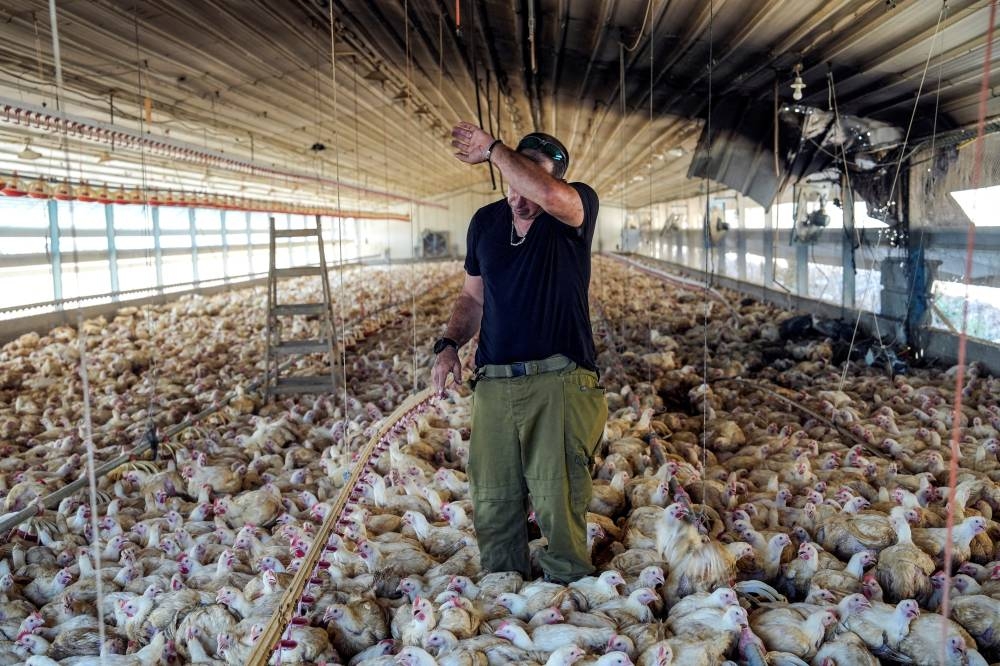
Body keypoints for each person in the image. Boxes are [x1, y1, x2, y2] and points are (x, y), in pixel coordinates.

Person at [430, 121, 607, 584]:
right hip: (493, 382)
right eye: (516, 178)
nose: (520, 192)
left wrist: (493, 149)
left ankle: (566, 593)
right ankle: (505, 589)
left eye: (533, 177)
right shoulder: (485, 223)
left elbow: (551, 197)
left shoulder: (573, 206)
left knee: (557, 493)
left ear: (554, 179)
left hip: (559, 381)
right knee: (492, 495)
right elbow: (472, 297)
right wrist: (449, 344)